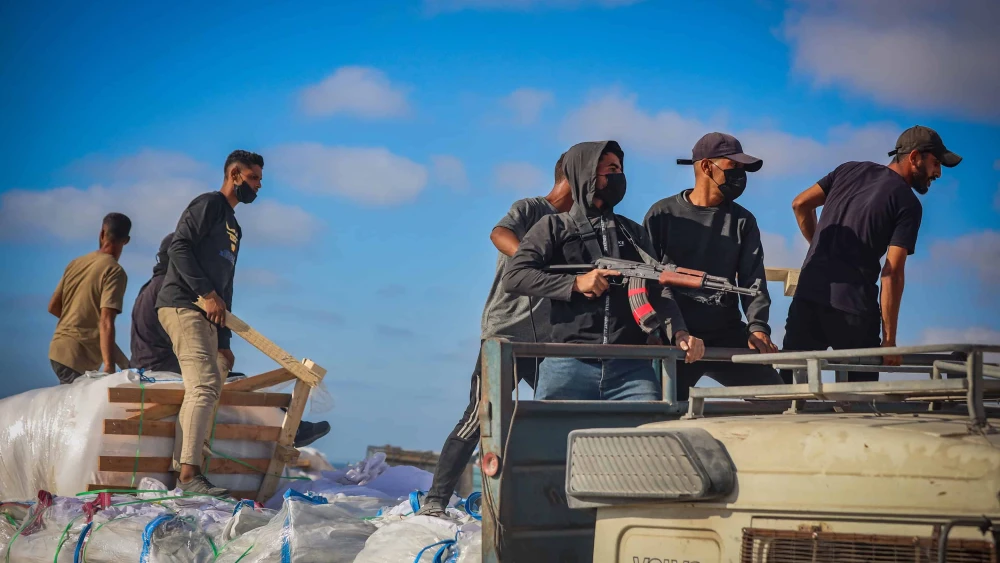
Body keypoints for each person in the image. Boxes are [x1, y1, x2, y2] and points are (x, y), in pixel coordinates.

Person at [417, 153, 575, 517]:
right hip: (506, 334)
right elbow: (498, 233)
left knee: (566, 412)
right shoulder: (532, 209)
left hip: (551, 341)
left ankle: (556, 501)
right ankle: (435, 502)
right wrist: (533, 264)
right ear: (572, 177)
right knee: (479, 415)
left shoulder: (578, 223)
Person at [503, 140, 704, 401]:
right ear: (586, 174)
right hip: (567, 363)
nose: (618, 176)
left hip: (631, 366)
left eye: (619, 169)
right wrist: (575, 284)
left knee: (649, 438)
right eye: (610, 169)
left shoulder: (632, 232)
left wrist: (680, 332)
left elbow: (658, 289)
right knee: (550, 439)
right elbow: (515, 276)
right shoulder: (553, 227)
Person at [784, 125, 961, 381]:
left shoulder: (848, 170)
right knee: (858, 405)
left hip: (807, 299)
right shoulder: (907, 202)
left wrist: (817, 246)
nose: (938, 172)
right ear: (913, 157)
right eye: (935, 163)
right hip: (853, 312)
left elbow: (800, 203)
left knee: (789, 396)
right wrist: (889, 341)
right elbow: (892, 272)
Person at [131, 231, 331, 448]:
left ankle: (291, 427)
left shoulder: (149, 288)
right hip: (167, 369)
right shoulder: (171, 291)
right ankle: (293, 429)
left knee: (236, 380)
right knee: (241, 384)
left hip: (149, 366)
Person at [155, 149, 262, 496]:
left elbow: (226, 287)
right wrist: (205, 292)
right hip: (183, 305)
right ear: (234, 174)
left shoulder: (234, 226)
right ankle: (188, 476)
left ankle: (188, 470)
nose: (258, 187)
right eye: (253, 178)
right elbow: (180, 247)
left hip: (211, 317)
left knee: (210, 388)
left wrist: (225, 343)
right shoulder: (209, 205)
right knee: (202, 385)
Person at [644, 133, 783, 400]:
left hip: (727, 334)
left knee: (780, 400)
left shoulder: (743, 221)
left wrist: (757, 327)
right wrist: (677, 332)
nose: (741, 176)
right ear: (707, 166)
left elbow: (753, 281)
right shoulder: (661, 215)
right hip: (677, 340)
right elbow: (651, 281)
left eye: (743, 170)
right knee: (660, 413)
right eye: (735, 168)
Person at [48, 212, 132, 384]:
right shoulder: (114, 271)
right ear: (126, 240)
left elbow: (53, 306)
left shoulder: (76, 263)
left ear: (101, 233)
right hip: (77, 357)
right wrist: (109, 367)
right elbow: (106, 321)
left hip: (58, 349)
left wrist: (80, 322)